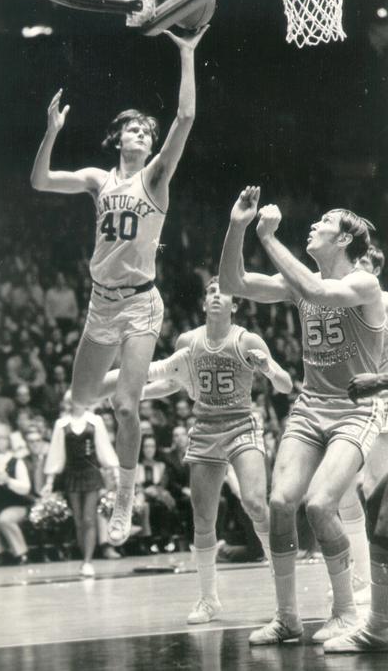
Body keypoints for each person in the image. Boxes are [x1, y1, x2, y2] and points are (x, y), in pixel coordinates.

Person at [30, 27, 208, 547]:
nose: (141, 135)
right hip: (99, 304)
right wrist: (51, 130)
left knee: (126, 407)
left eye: (146, 133)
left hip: (139, 305)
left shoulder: (154, 179)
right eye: (133, 130)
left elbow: (186, 118)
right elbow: (40, 181)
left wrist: (188, 54)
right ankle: (158, 372)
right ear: (118, 138)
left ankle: (125, 498)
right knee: (79, 399)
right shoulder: (97, 180)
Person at [219, 187, 385, 646]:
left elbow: (317, 289)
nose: (313, 226)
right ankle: (287, 617)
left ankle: (347, 612)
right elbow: (233, 282)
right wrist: (238, 226)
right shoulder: (302, 281)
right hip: (311, 406)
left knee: (320, 504)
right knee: (279, 504)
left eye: (324, 223)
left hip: (355, 410)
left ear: (344, 240)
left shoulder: (364, 284)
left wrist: (268, 238)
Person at [100, 276, 292, 622]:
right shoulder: (189, 341)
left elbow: (286, 384)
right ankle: (209, 599)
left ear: (236, 305)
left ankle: (279, 582)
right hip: (204, 428)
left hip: (241, 425)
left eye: (225, 294)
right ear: (204, 303)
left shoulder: (247, 339)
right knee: (203, 520)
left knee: (254, 502)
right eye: (211, 293)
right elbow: (173, 383)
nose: (217, 297)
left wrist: (268, 368)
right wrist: (133, 394)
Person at [336, 245, 388, 606]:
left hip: (383, 402)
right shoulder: (342, 307)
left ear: (376, 270)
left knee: (376, 494)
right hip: (355, 405)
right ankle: (365, 574)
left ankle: (374, 585)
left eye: (364, 264)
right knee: (344, 494)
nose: (357, 269)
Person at [42, 402, 119, 577]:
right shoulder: (61, 424)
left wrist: (115, 473)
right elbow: (56, 453)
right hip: (72, 475)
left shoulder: (95, 421)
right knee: (78, 521)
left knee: (89, 518)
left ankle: (87, 561)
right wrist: (49, 481)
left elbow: (104, 448)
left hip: (91, 474)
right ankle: (84, 559)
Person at [0, 423, 31, 565]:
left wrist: (8, 481)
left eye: (3, 438)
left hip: (16, 504)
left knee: (4, 519)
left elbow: (26, 488)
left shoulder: (16, 462)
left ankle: (21, 552)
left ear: (8, 441)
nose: (0, 442)